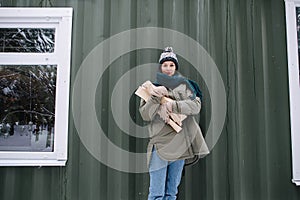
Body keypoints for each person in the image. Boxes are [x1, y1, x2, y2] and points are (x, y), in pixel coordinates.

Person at [139, 47, 210, 200]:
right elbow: (145, 114)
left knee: (171, 193)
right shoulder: (150, 89)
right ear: (161, 67)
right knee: (157, 194)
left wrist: (172, 105)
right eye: (165, 65)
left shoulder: (185, 87)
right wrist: (156, 98)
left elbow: (195, 106)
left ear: (175, 67)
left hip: (180, 145)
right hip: (160, 145)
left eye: (171, 65)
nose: (168, 68)